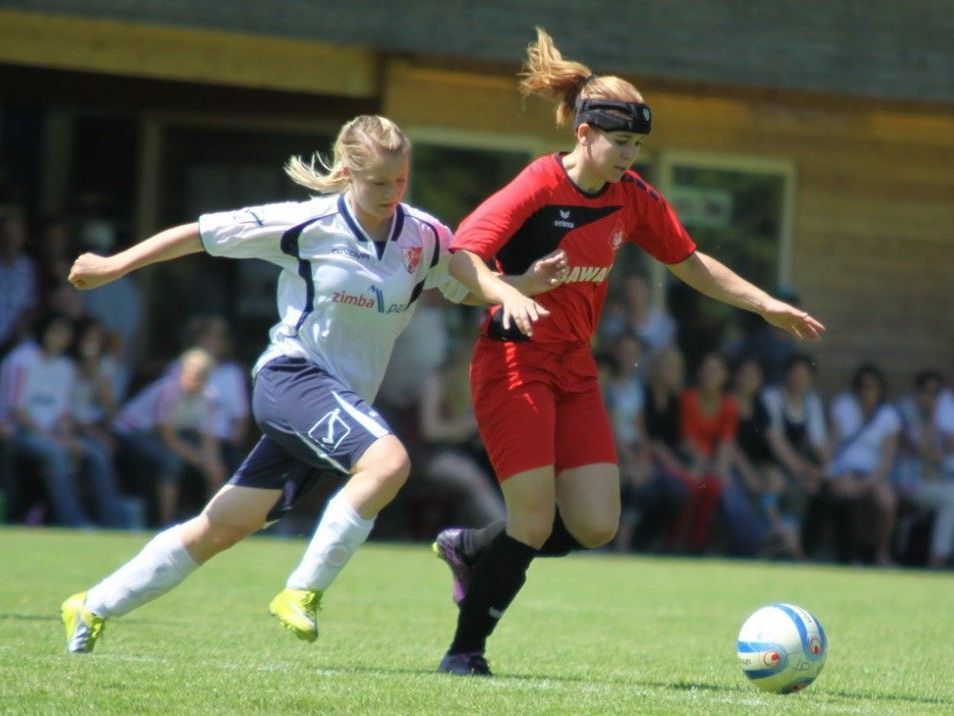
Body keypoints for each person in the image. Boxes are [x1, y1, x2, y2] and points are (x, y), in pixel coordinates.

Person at [59, 114, 567, 654]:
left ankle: (92, 604)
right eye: (378, 182)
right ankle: (301, 590)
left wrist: (522, 284)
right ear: (347, 173)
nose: (391, 193)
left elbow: (465, 283)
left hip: (339, 402)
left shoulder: (424, 235)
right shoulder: (308, 223)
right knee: (388, 463)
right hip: (292, 377)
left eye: (400, 180)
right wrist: (114, 265)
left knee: (222, 525)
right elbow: (199, 234)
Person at [431, 28, 825, 677]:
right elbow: (461, 257)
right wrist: (510, 292)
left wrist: (763, 304)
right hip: (513, 363)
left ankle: (474, 549)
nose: (630, 156)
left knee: (595, 524)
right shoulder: (537, 184)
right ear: (584, 133)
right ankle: (465, 651)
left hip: (574, 370)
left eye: (637, 145)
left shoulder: (632, 196)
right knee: (531, 523)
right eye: (620, 143)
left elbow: (689, 262)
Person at [111, 348, 226, 527]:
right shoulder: (168, 391)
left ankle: (212, 523)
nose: (195, 380)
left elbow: (208, 437)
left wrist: (212, 462)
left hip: (165, 434)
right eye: (192, 374)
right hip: (130, 432)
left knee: (217, 467)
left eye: (201, 376)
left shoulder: (209, 397)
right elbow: (168, 437)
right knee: (171, 462)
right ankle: (167, 522)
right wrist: (201, 460)